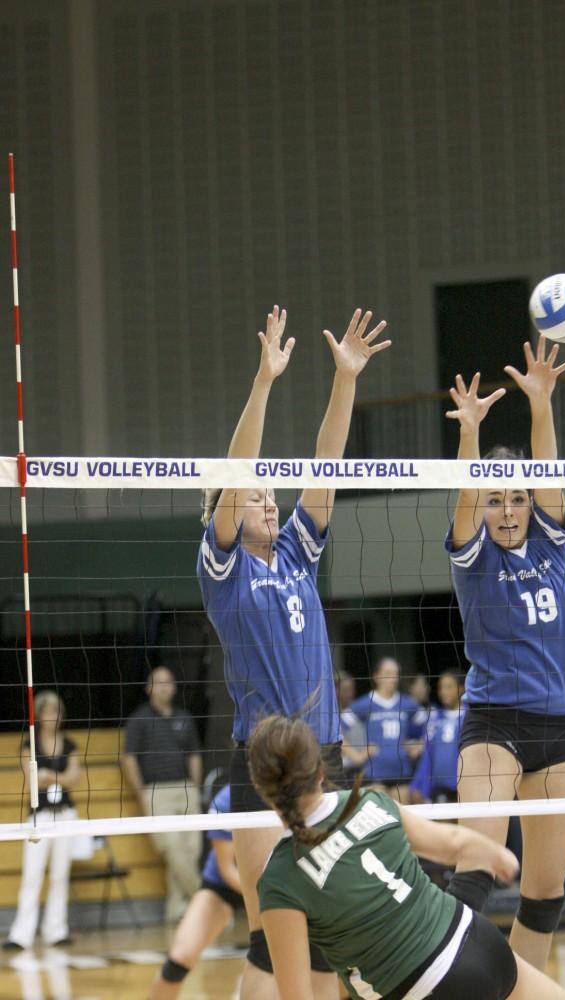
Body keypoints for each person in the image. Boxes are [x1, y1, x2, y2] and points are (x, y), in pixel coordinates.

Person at [197, 304, 390, 1000]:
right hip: (263, 764)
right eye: (254, 497)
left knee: (329, 925)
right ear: (226, 506)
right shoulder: (223, 571)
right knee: (267, 935)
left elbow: (326, 466)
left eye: (271, 495)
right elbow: (235, 469)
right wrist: (264, 381)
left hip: (327, 759)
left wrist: (345, 380)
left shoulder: (296, 557)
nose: (269, 503)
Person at [249, 715, 565, 1000]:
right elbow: (451, 843)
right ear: (320, 771)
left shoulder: (279, 880)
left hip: (421, 987)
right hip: (476, 941)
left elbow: (297, 994)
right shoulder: (368, 801)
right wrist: (491, 852)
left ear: (262, 789)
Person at [443, 335, 565, 971]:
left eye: (517, 497)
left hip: (561, 729)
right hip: (495, 724)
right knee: (475, 876)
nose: (506, 508)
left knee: (545, 894)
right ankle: (445, 985)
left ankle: (520, 990)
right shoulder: (475, 559)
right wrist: (470, 434)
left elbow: (549, 472)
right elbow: (467, 498)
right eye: (497, 497)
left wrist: (541, 403)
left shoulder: (553, 546)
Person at [122, 666, 203, 922]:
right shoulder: (139, 720)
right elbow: (128, 758)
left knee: (192, 849)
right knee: (173, 848)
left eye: (169, 682)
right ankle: (205, 903)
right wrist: (141, 792)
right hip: (156, 791)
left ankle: (177, 909)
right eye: (159, 682)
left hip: (186, 789)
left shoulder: (184, 717)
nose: (165, 687)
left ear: (175, 686)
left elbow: (194, 755)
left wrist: (195, 787)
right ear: (148, 688)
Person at [149, 784, 243, 999]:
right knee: (179, 959)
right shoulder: (227, 799)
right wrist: (265, 896)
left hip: (278, 883)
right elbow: (227, 869)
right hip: (226, 885)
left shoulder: (293, 789)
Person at [3, 691, 81, 950]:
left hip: (66, 815)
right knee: (32, 874)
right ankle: (21, 934)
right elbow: (31, 780)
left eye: (56, 711)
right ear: (39, 714)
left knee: (60, 875)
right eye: (47, 711)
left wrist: (49, 775)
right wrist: (57, 776)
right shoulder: (30, 745)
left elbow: (75, 779)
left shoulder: (69, 744)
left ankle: (56, 930)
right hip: (39, 816)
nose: (52, 716)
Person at [346, 657, 427, 795]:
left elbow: (432, 724)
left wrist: (420, 745)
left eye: (396, 674)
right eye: (388, 673)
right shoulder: (365, 703)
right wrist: (356, 756)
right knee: (379, 813)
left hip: (401, 771)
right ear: (376, 676)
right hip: (375, 772)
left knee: (402, 814)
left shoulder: (408, 704)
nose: (393, 678)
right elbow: (336, 729)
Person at [409, 670, 465, 804]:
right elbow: (427, 753)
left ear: (461, 688)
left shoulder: (471, 716)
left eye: (449, 687)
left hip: (465, 783)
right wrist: (418, 784)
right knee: (443, 823)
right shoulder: (434, 717)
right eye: (441, 688)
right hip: (441, 786)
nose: (443, 692)